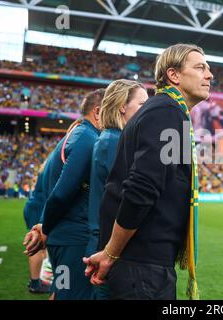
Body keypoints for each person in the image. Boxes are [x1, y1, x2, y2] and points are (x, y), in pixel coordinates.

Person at [83, 43, 213, 300]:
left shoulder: (169, 112)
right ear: (173, 75)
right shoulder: (166, 112)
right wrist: (111, 253)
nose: (209, 74)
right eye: (200, 67)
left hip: (145, 263)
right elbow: (142, 188)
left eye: (208, 69)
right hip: (142, 266)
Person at [23, 89, 105, 300]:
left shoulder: (77, 133)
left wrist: (45, 225)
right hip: (73, 242)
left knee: (61, 293)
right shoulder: (87, 138)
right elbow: (60, 194)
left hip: (64, 238)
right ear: (98, 112)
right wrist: (44, 227)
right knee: (72, 295)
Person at [86, 80, 148, 299]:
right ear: (122, 106)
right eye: (142, 104)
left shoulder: (112, 138)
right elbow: (127, 197)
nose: (147, 110)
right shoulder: (114, 140)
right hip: (106, 248)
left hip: (106, 246)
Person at [23, 160, 51, 294]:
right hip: (39, 207)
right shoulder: (52, 165)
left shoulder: (47, 165)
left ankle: (39, 279)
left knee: (43, 247)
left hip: (36, 206)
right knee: (38, 246)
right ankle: (35, 283)